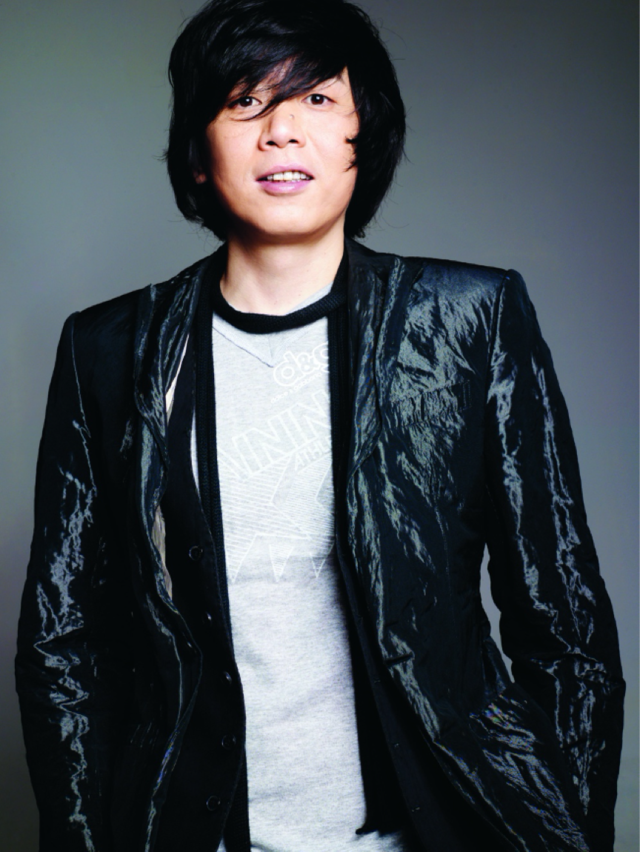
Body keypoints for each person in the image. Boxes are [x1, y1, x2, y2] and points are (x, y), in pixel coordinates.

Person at [15, 1, 625, 851]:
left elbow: (564, 624)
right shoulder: (109, 351)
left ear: (361, 138)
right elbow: (63, 642)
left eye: (316, 99)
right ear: (197, 154)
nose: (282, 131)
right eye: (246, 102)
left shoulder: (467, 320)